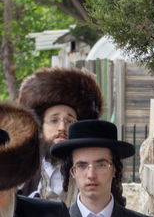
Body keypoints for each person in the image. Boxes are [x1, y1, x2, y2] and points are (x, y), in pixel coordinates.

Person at [17, 67, 103, 200]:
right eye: (54, 120)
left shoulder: (94, 173)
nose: (62, 128)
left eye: (69, 121)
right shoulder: (22, 171)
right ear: (40, 129)